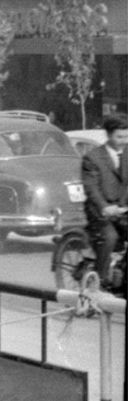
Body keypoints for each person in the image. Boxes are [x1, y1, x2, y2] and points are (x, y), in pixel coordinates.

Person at [82, 113, 128, 290]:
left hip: (123, 209)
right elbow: (91, 188)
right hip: (100, 212)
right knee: (110, 237)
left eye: (127, 136)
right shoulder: (93, 158)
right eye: (119, 137)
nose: (123, 141)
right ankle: (99, 282)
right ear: (108, 135)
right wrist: (104, 207)